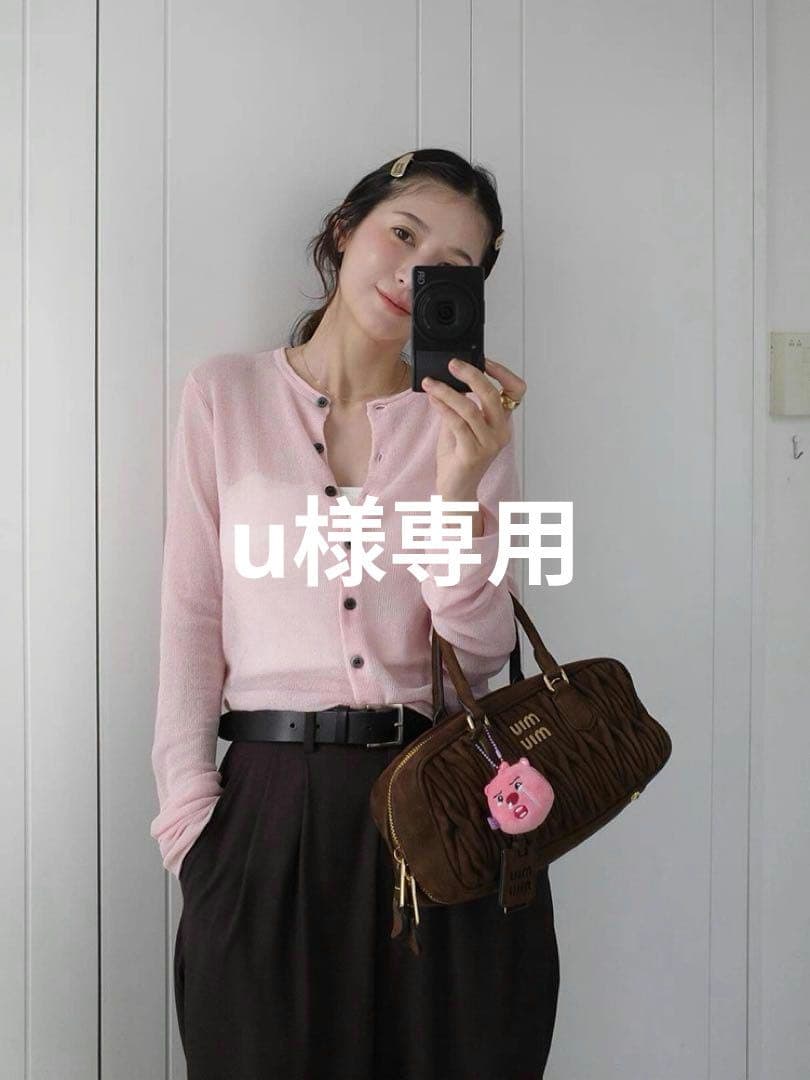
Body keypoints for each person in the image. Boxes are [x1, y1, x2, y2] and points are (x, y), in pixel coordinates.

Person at [150, 147, 559, 1079]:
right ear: (345, 229)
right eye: (402, 235)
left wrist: (458, 486)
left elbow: (480, 652)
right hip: (264, 814)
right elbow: (189, 616)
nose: (415, 274)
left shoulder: (474, 422)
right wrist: (191, 830)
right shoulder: (223, 396)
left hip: (442, 808)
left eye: (451, 267)